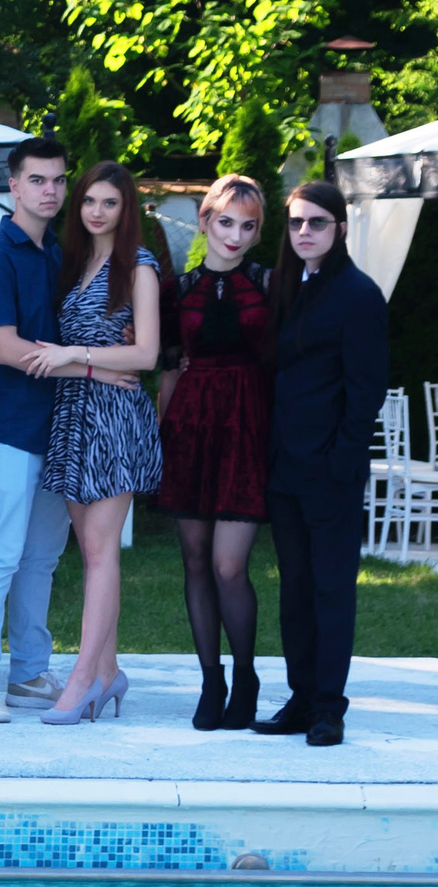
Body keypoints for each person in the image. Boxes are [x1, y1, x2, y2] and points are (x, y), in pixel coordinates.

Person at [28, 162, 165, 724]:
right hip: (74, 413)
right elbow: (54, 359)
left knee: (103, 553)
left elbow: (147, 356)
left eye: (110, 203)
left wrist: (78, 358)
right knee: (89, 555)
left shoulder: (139, 268)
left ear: (125, 208)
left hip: (115, 421)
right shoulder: (75, 264)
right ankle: (108, 673)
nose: (97, 211)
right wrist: (85, 368)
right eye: (89, 201)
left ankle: (83, 679)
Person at [255, 180, 387, 747]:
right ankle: (301, 697)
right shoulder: (285, 288)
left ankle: (329, 707)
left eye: (316, 222)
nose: (304, 231)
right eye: (296, 223)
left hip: (330, 470)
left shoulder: (358, 295)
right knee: (295, 589)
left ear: (339, 229)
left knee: (332, 589)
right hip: (283, 467)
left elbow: (367, 390)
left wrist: (341, 461)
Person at [0, 137, 76, 721]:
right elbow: (3, 349)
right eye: (37, 180)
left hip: (59, 429)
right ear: (14, 185)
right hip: (3, 425)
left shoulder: (63, 253)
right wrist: (91, 364)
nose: (49, 191)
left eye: (57, 181)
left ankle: (29, 672)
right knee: (0, 555)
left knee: (42, 559)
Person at [155, 175, 273, 730]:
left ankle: (246, 677)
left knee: (230, 565)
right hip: (193, 429)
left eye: (248, 226)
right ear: (205, 222)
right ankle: (211, 679)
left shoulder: (272, 283)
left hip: (247, 428)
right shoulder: (179, 289)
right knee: (196, 560)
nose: (235, 234)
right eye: (226, 221)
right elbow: (167, 364)